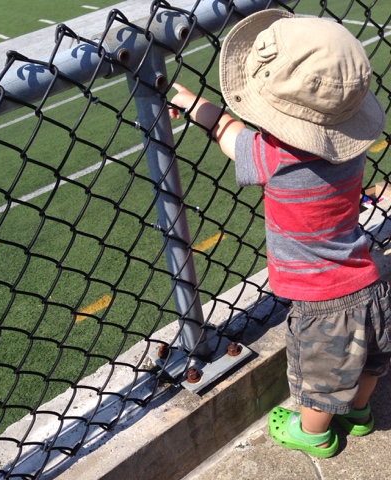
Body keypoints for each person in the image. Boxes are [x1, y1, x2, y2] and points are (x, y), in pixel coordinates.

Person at [168, 9, 389, 458]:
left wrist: (193, 105)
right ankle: (360, 414)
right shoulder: (352, 149)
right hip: (370, 282)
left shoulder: (275, 156)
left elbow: (227, 131)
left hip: (320, 302)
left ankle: (313, 434)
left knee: (320, 380)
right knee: (370, 360)